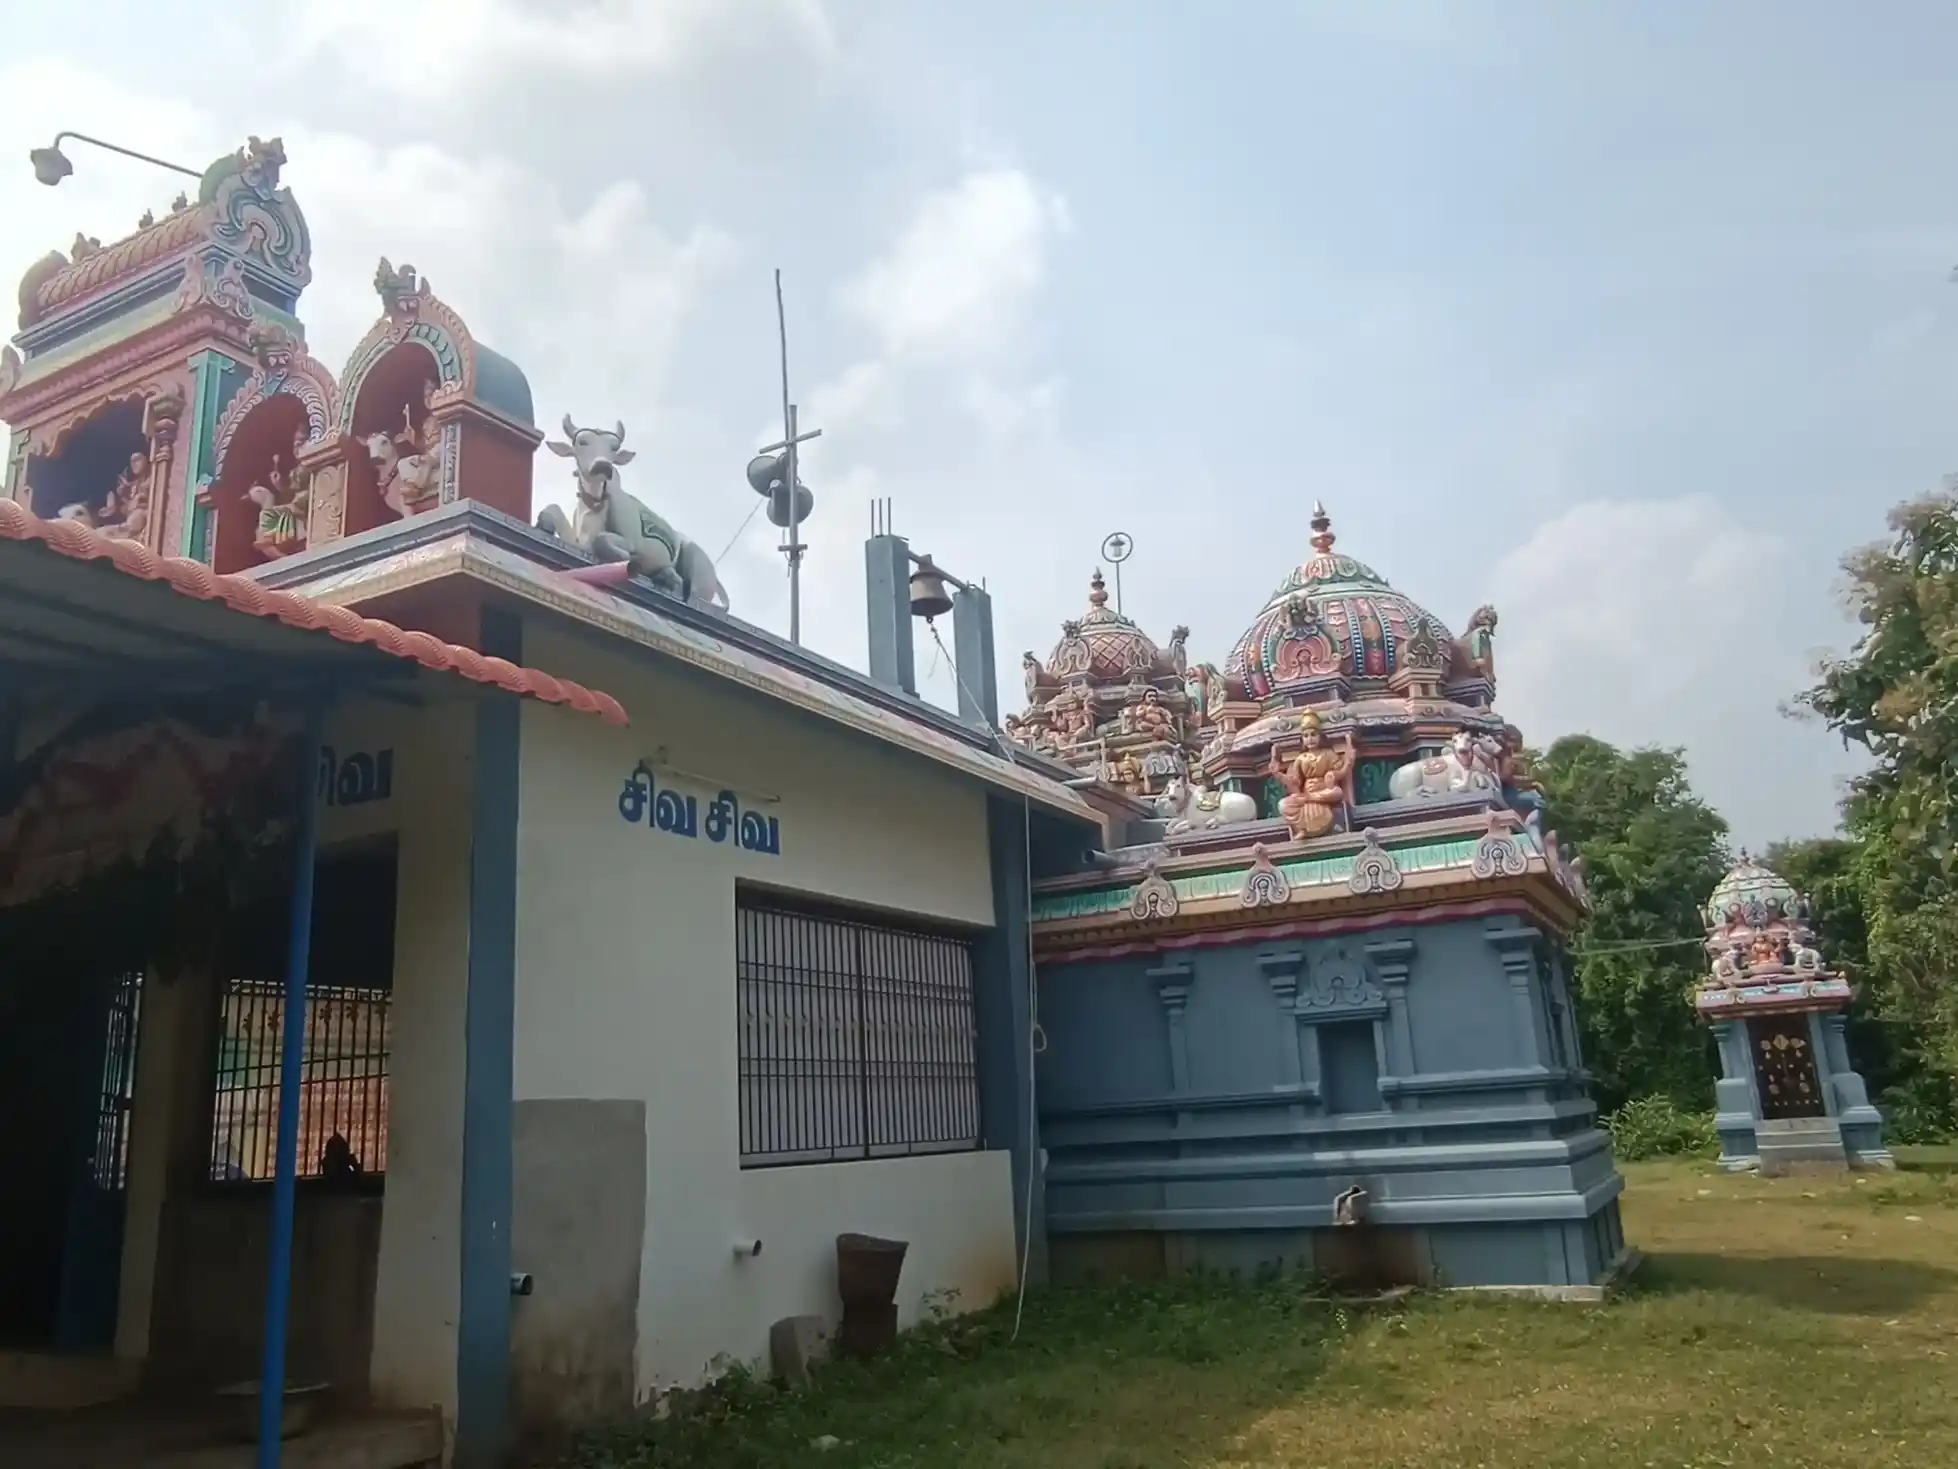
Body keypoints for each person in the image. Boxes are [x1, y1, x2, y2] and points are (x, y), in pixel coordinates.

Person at [1270, 710, 1351, 840]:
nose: (1310, 739)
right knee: (1284, 804)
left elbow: (1340, 772)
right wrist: (1277, 774)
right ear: (1302, 739)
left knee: (1337, 792)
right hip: (1306, 794)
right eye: (1306, 736)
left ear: (1320, 736)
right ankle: (1302, 828)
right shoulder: (1301, 759)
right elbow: (1293, 781)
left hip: (1323, 792)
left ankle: (1327, 822)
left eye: (1313, 735)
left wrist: (1346, 763)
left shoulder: (1328, 754)